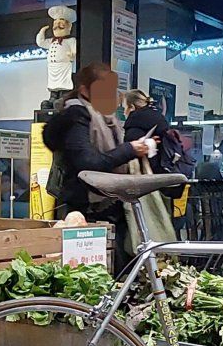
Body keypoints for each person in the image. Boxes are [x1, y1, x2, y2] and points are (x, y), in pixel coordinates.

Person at [43, 63, 158, 262]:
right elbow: (88, 163)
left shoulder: (107, 118)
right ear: (85, 91)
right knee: (90, 270)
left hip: (110, 205)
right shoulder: (76, 115)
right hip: (86, 209)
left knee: (116, 265)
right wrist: (130, 150)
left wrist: (135, 149)